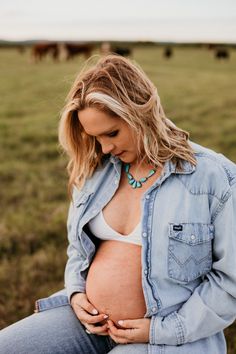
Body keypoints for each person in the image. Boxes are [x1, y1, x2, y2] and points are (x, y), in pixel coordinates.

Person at [0, 54, 236, 354]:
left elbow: (231, 282)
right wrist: (75, 293)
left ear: (143, 112)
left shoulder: (214, 178)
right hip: (87, 322)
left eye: (112, 133)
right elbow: (78, 250)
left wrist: (161, 329)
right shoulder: (97, 171)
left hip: (166, 332)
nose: (106, 148)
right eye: (95, 137)